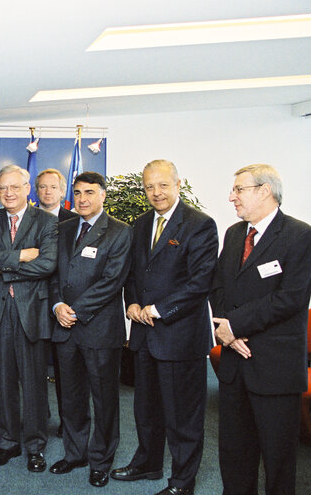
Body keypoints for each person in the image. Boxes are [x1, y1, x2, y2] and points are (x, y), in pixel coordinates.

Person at [110, 160, 218, 495]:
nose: (156, 193)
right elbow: (132, 274)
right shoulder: (141, 224)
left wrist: (157, 309)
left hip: (180, 335)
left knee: (182, 416)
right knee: (146, 410)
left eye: (163, 185)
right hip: (144, 335)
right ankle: (148, 463)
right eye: (149, 187)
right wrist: (130, 303)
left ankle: (183, 483)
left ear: (178, 184)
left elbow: (199, 283)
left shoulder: (200, 224)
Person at [210, 164, 311, 495]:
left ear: (264, 191)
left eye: (239, 189)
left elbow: (290, 299)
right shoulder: (235, 233)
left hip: (274, 367)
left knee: (278, 460)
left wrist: (235, 326)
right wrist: (227, 329)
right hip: (235, 365)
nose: (231, 197)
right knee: (235, 454)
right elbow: (219, 286)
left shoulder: (300, 235)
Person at [48, 171, 132, 488]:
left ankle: (101, 460)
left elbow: (112, 281)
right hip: (64, 327)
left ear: (103, 195)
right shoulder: (64, 228)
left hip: (98, 328)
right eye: (78, 192)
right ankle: (75, 454)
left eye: (90, 192)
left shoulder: (120, 232)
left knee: (104, 399)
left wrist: (76, 311)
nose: (82, 199)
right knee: (70, 398)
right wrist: (57, 306)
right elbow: (53, 275)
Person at [0, 165, 57, 473]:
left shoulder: (46, 222)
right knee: (3, 381)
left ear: (27, 189)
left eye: (14, 187)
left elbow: (47, 264)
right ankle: (8, 442)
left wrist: (1, 263)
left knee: (33, 383)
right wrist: (20, 256)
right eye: (3, 188)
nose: (8, 193)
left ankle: (35, 446)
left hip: (31, 312)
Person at [35, 167, 77, 438]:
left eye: (53, 187)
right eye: (42, 187)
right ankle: (38, 420)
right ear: (35, 191)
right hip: (33, 305)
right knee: (35, 369)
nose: (47, 191)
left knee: (67, 372)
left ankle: (68, 421)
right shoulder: (27, 219)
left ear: (63, 191)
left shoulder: (76, 221)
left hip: (63, 307)